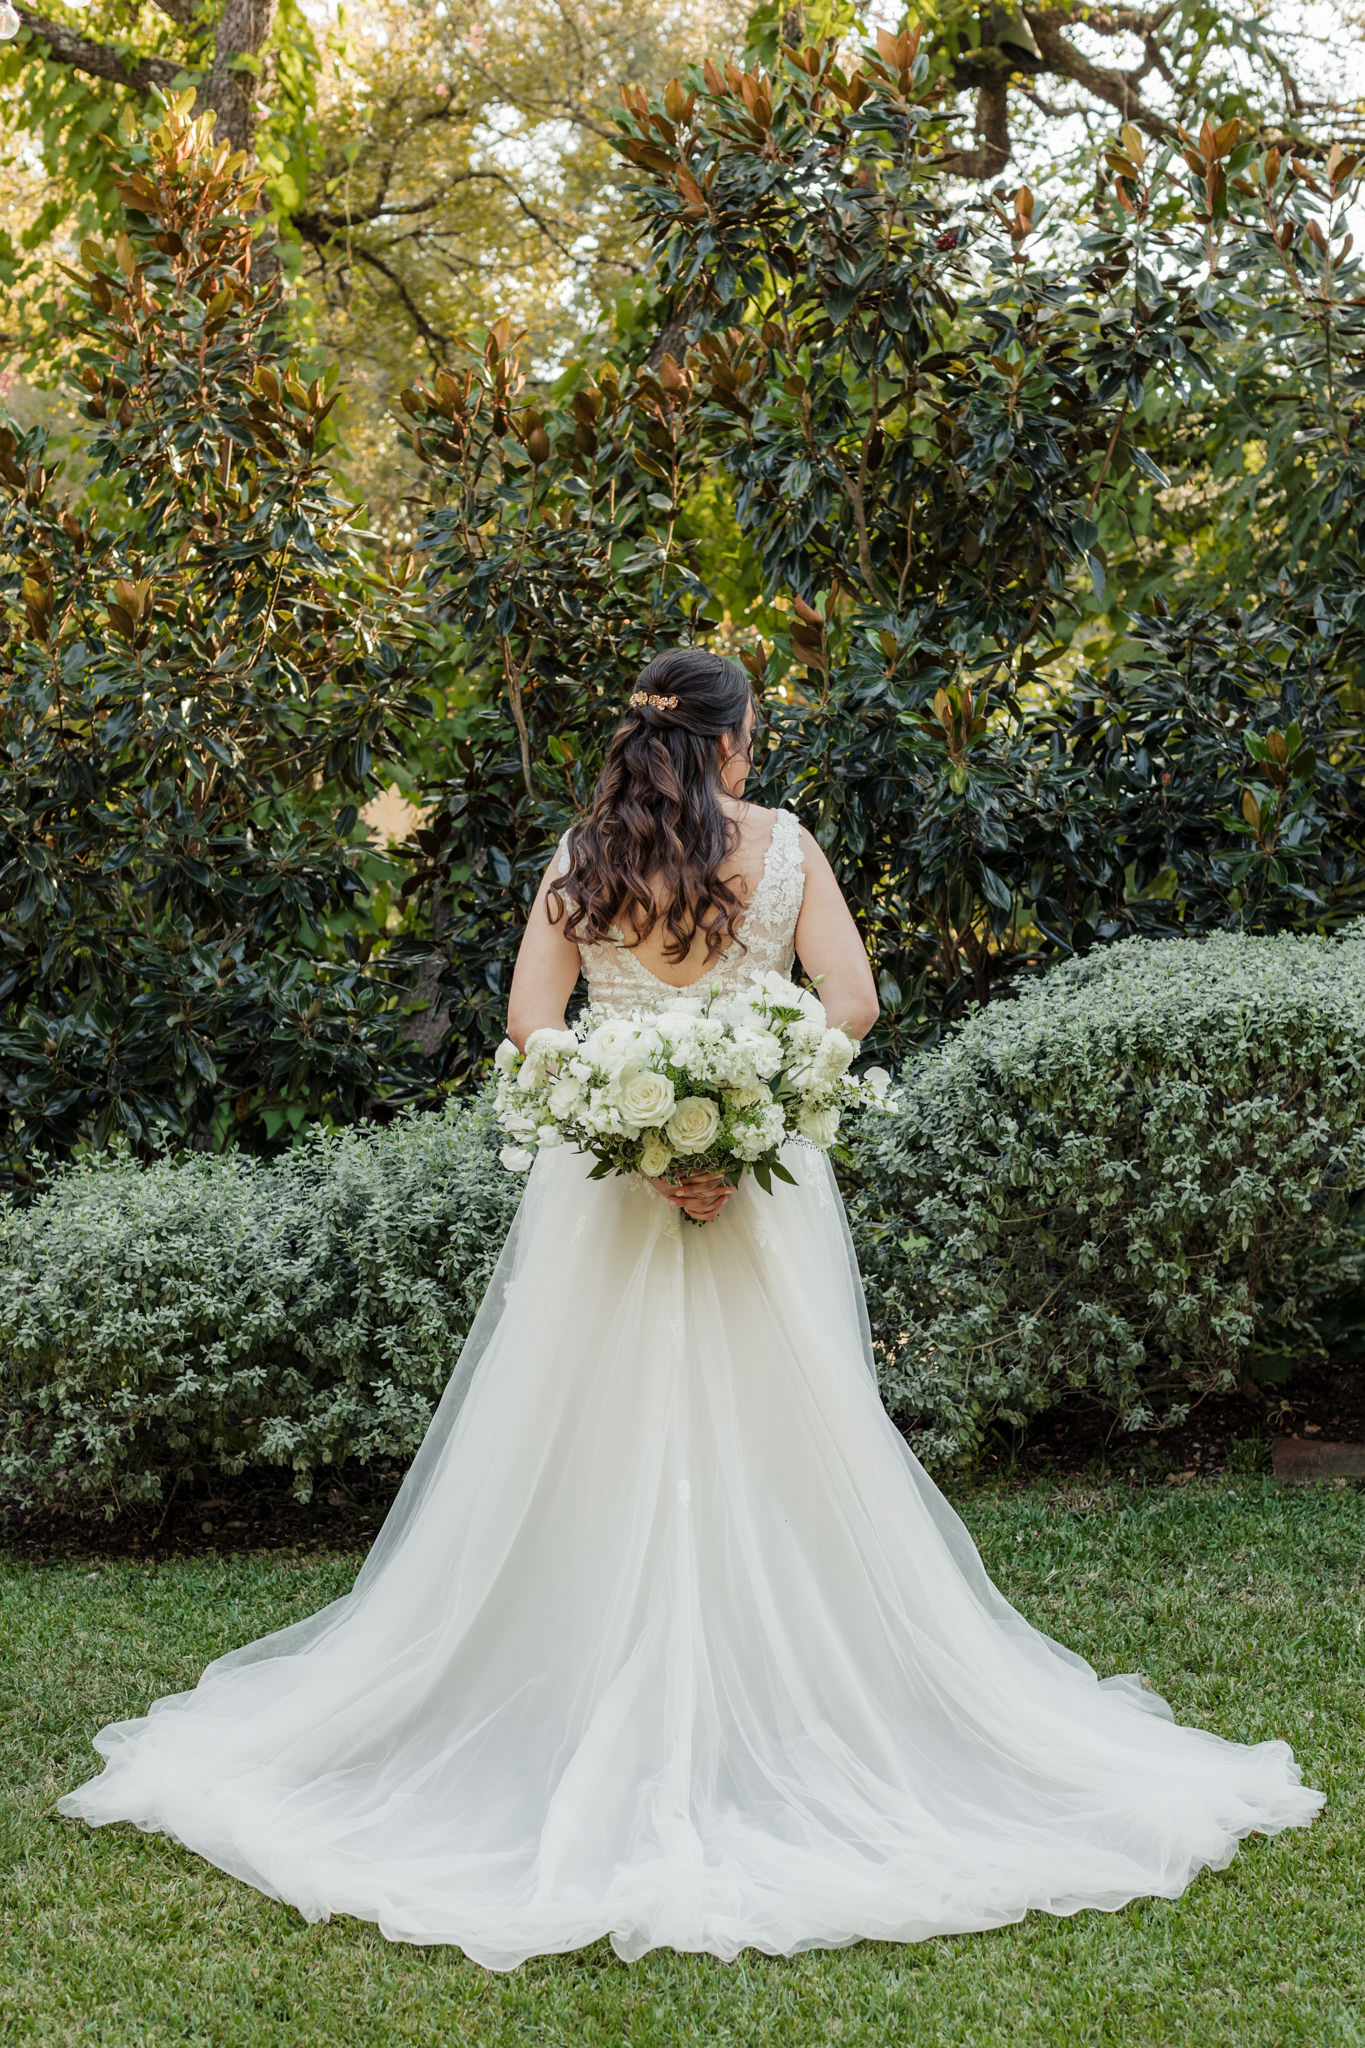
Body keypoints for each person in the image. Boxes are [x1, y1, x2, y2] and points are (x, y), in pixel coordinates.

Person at [59, 647, 1322, 1969]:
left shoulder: (584, 856)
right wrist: (750, 1112)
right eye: (754, 730)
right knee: (788, 1430)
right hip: (760, 1198)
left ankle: (592, 1681)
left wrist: (636, 1132)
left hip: (600, 1198)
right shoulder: (783, 850)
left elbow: (529, 1024)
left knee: (579, 1434)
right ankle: (775, 1704)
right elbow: (852, 1000)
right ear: (726, 741)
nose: (757, 750)